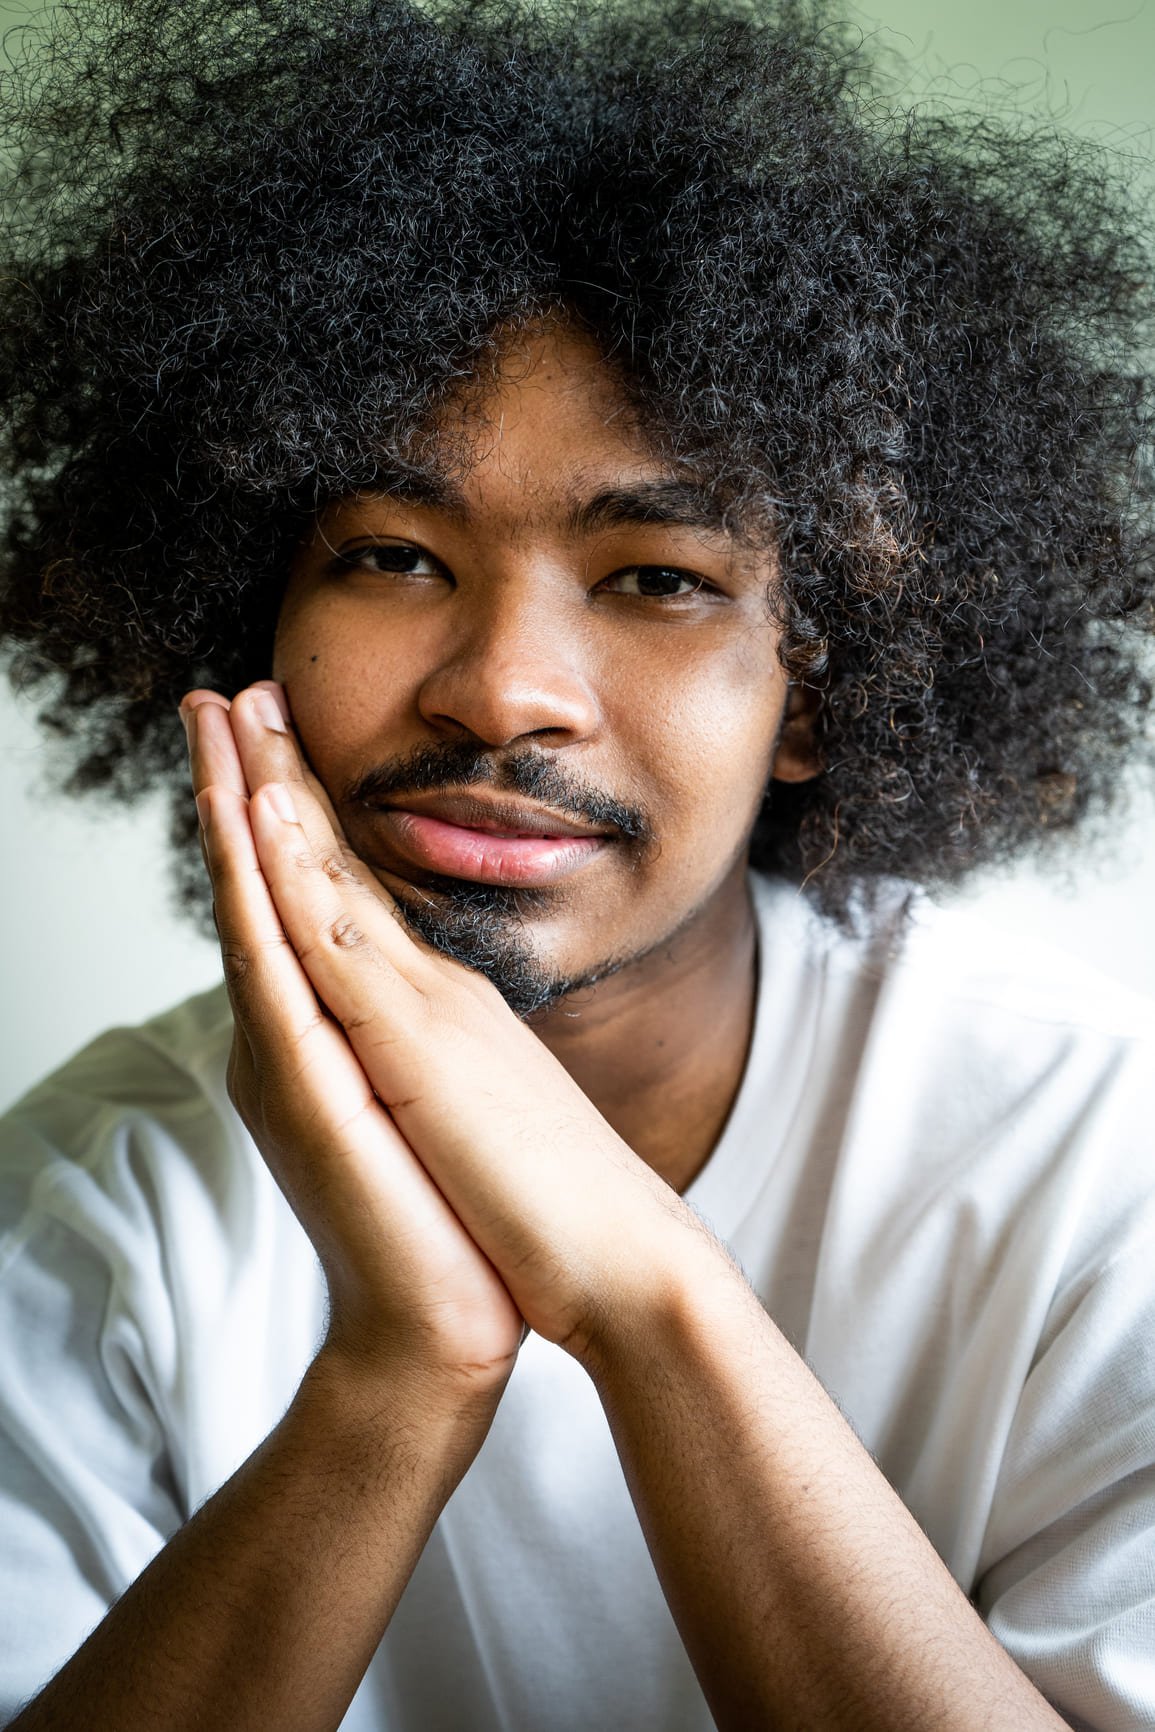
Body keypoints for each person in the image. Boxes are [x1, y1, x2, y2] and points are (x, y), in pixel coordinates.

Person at [0, 0, 1153, 1726]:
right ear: (247, 623)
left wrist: (644, 1289)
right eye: (390, 553)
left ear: (819, 696)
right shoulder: (100, 1197)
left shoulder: (1092, 1173)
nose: (499, 688)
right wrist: (406, 1370)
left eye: (659, 578)